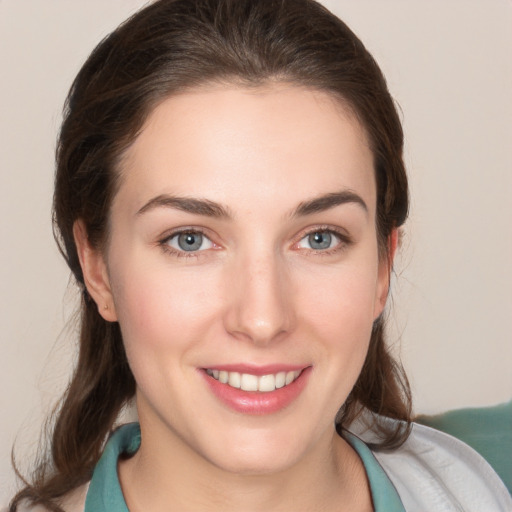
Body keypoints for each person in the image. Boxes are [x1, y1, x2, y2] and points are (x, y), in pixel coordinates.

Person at [8, 1, 511, 511]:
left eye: (319, 238)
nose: (263, 319)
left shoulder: (491, 479)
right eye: (189, 240)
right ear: (97, 268)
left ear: (383, 266)